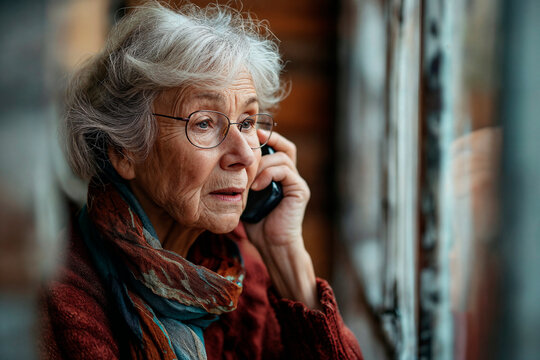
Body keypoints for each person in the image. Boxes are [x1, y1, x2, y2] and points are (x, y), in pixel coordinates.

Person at [40, 2, 363, 359]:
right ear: (124, 150)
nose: (244, 154)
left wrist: (286, 256)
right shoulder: (65, 298)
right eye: (204, 123)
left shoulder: (237, 268)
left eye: (247, 122)